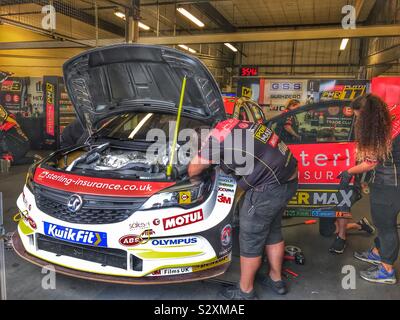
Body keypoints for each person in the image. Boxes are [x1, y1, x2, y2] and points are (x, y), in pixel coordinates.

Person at [188, 118, 298, 299]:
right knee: (273, 229)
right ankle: (276, 279)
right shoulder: (231, 123)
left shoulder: (213, 141)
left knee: (250, 239)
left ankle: (245, 291)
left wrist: (194, 182)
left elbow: (194, 168)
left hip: (268, 189)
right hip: (289, 179)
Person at [338, 94, 400, 284]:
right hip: (391, 182)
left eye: (359, 117)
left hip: (388, 184)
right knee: (385, 223)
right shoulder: (392, 121)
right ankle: (378, 252)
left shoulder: (383, 133)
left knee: (386, 226)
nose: (358, 121)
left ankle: (386, 270)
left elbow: (370, 163)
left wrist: (347, 172)